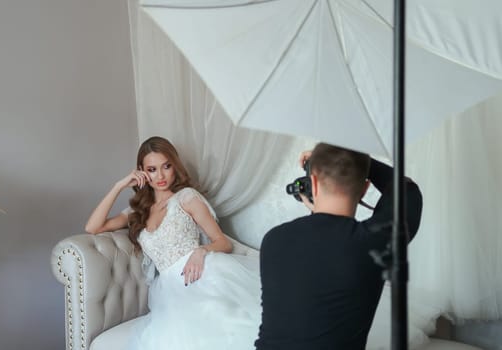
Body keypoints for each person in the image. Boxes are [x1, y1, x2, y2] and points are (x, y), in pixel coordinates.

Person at [85, 136, 261, 350]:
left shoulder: (187, 197)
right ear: (141, 171)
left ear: (174, 166)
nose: (160, 176)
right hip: (170, 289)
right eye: (152, 169)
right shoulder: (136, 212)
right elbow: (93, 228)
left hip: (203, 274)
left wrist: (201, 251)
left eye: (166, 166)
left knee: (229, 325)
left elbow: (223, 242)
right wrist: (118, 186)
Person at [255, 142, 423, 350]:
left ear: (313, 184)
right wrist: (363, 165)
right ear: (364, 189)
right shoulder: (372, 244)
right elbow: (408, 191)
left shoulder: (273, 240)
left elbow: (317, 262)